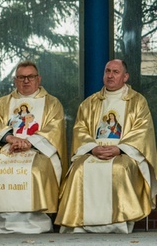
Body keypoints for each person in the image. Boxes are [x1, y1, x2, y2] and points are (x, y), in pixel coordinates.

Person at [56, 59, 157, 233]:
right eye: (107, 71)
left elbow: (142, 132)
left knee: (120, 169)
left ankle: (119, 223)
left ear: (125, 76)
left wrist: (120, 149)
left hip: (124, 153)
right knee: (79, 169)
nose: (110, 76)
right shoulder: (89, 103)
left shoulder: (138, 102)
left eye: (115, 72)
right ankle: (80, 225)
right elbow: (80, 129)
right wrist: (93, 148)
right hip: (94, 152)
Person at [0, 60, 67, 234]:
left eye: (30, 77)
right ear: (15, 80)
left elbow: (54, 128)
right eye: (21, 77)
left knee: (36, 170)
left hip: (38, 149)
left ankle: (35, 221)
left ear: (38, 79)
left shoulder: (52, 103)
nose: (26, 81)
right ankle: (1, 221)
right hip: (7, 146)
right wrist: (10, 137)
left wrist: (29, 142)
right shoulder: (1, 103)